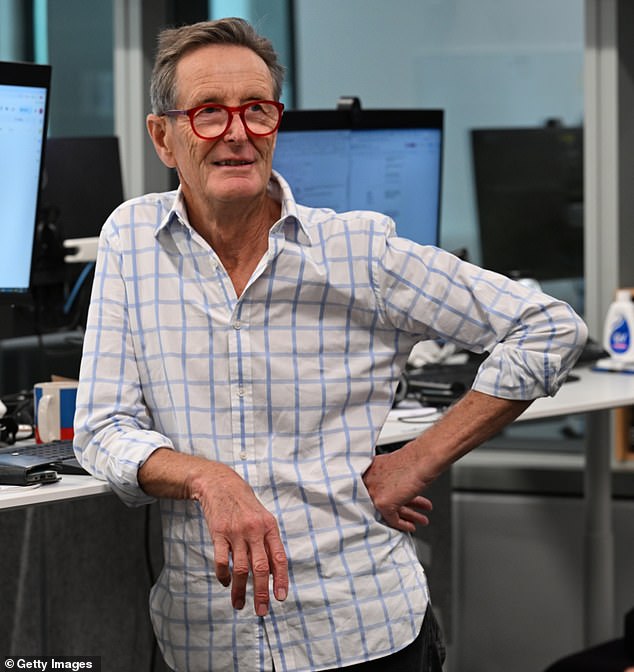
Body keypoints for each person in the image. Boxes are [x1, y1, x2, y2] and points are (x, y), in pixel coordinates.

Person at [73, 16, 588, 672]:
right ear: (163, 138)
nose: (237, 133)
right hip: (210, 640)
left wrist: (415, 461)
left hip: (360, 629)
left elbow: (549, 328)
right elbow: (101, 427)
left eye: (257, 111)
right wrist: (206, 478)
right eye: (208, 113)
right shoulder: (130, 240)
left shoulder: (356, 250)